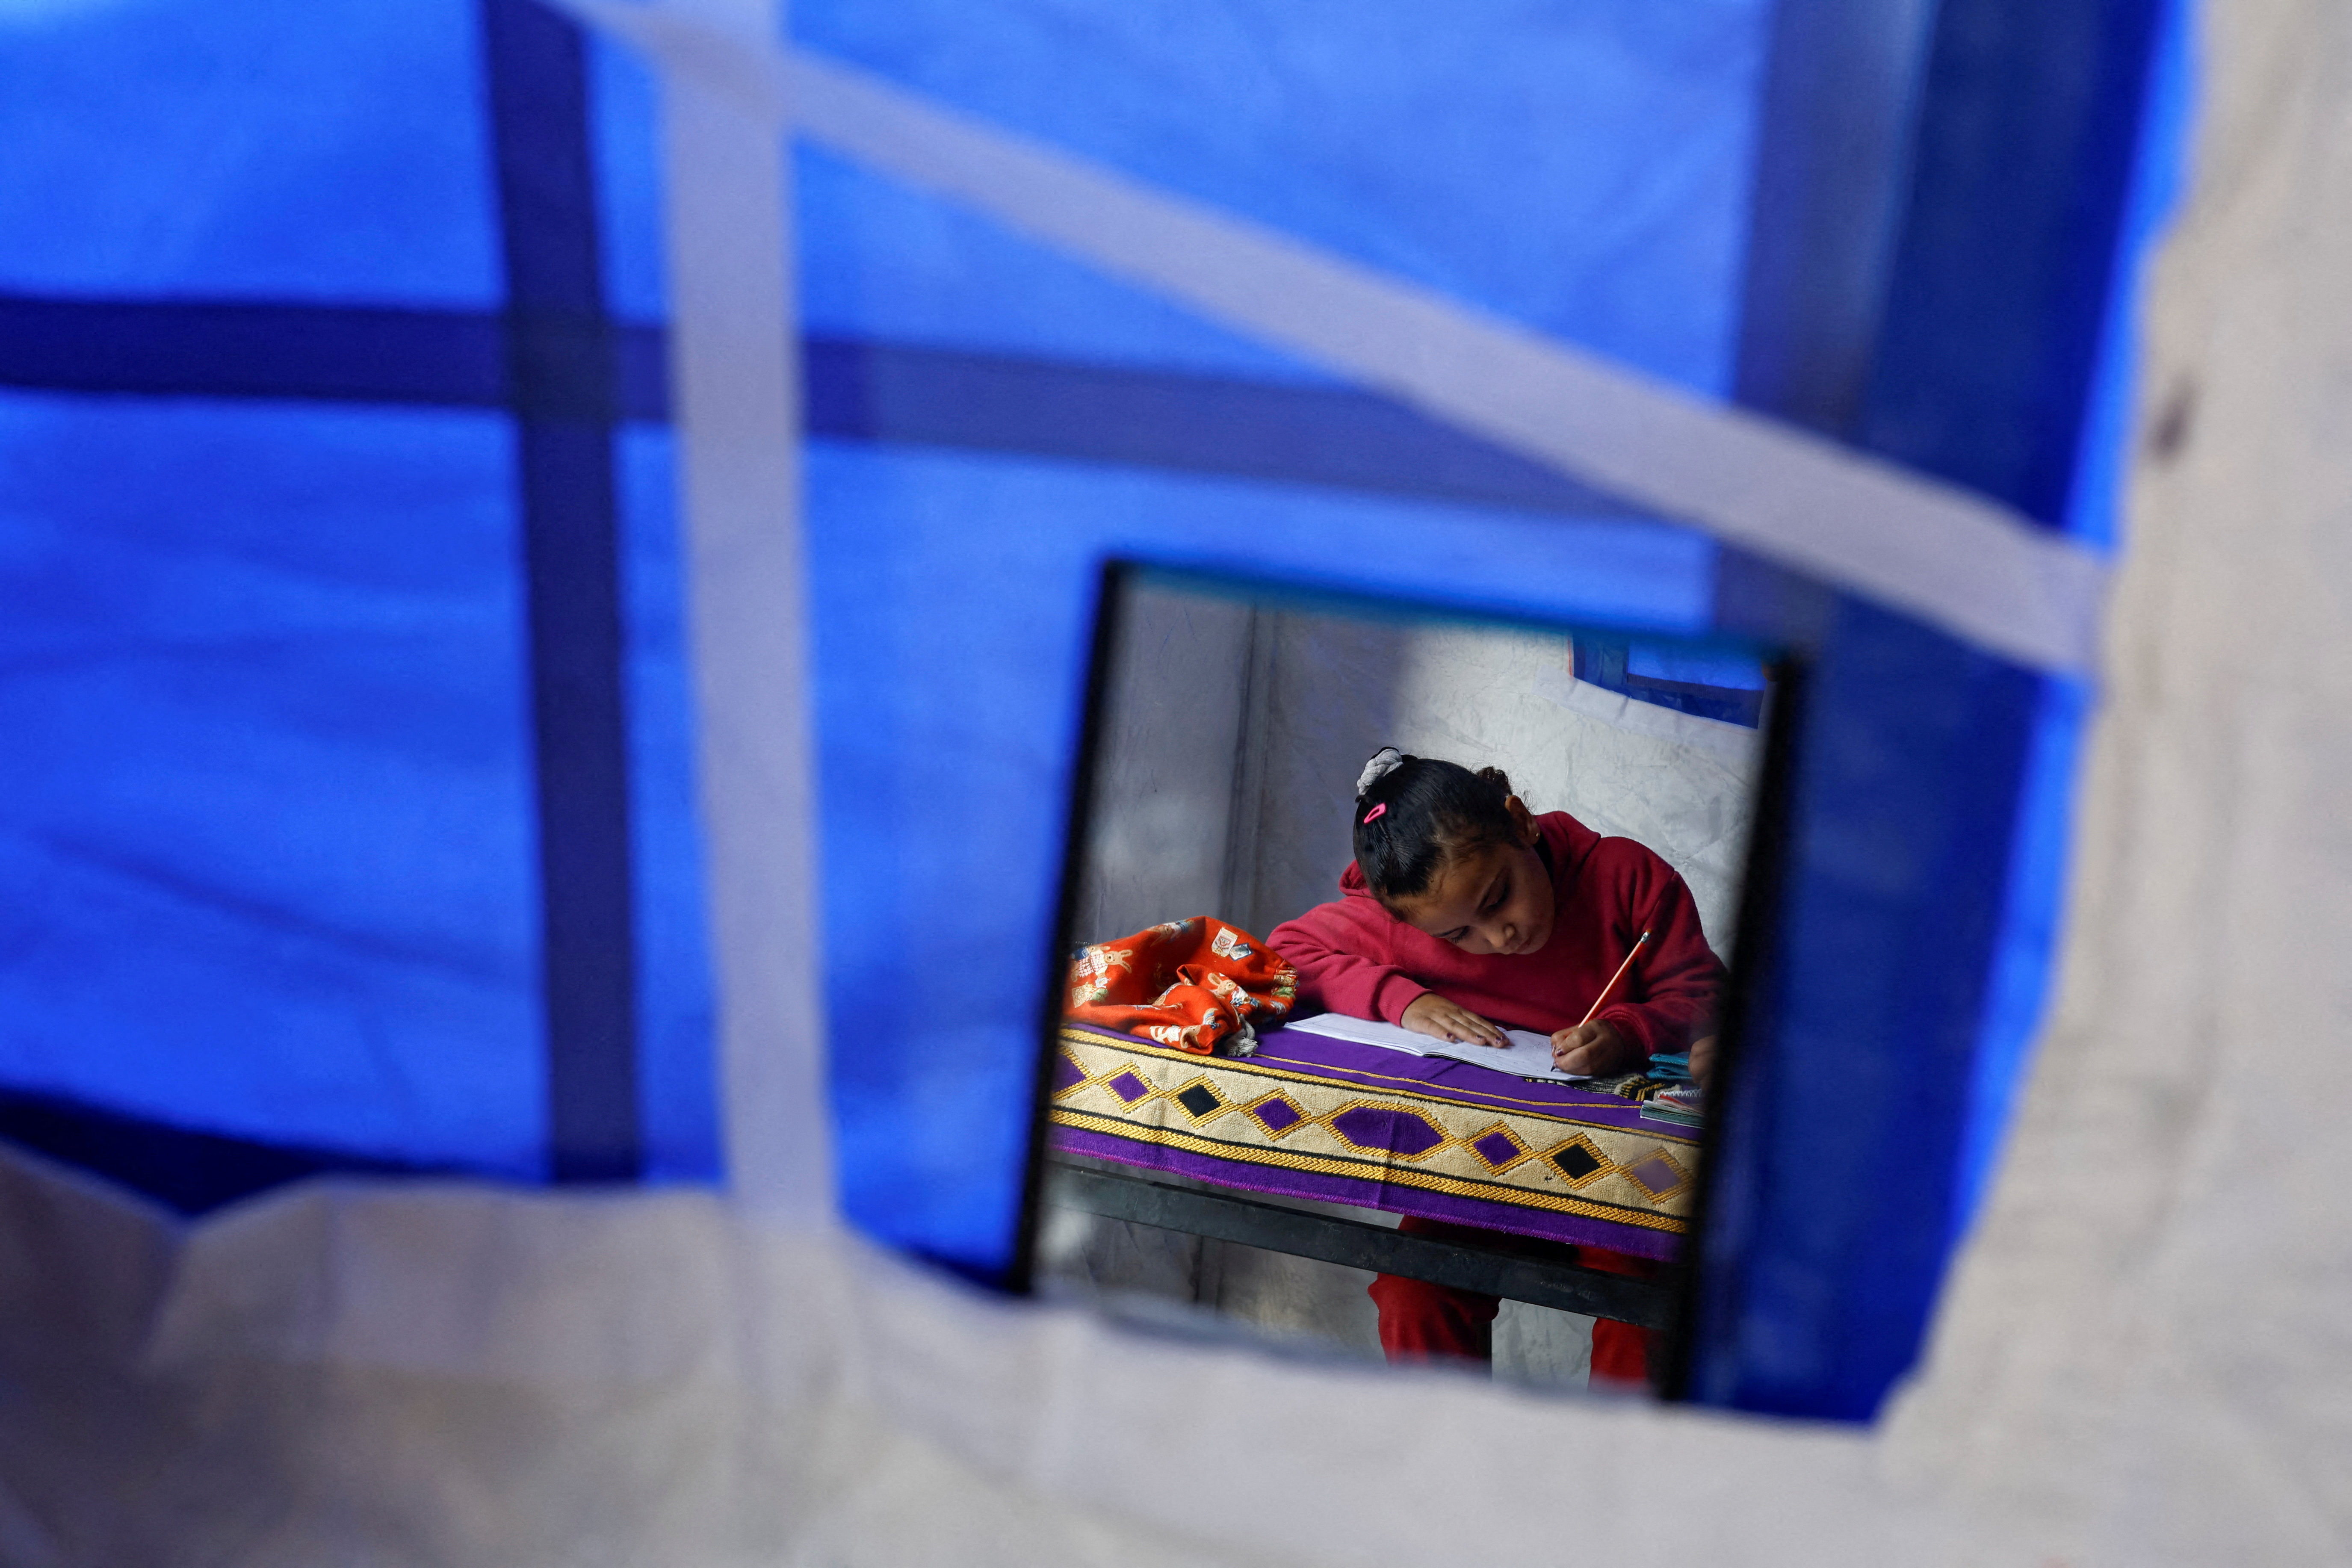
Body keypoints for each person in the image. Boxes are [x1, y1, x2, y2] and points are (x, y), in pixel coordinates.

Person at [1266, 747, 1724, 1386]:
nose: (1497, 936)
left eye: (1499, 897)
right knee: (1414, 1290)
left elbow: (1705, 1000)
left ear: (1521, 823)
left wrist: (1628, 1031)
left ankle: (1622, 1477)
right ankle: (1452, 1469)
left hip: (1623, 1178)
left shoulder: (1624, 877)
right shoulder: (1412, 915)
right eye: (1459, 937)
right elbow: (1288, 951)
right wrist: (1405, 1000)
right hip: (1483, 1164)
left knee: (1647, 1311)